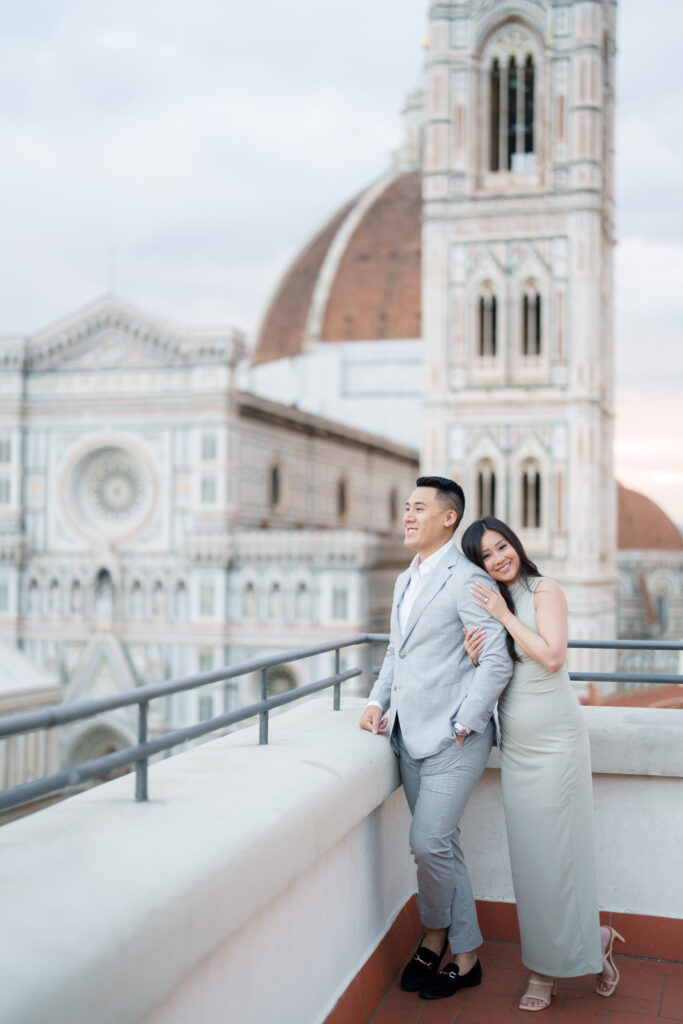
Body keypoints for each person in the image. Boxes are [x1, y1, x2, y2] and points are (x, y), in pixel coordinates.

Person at [460, 516, 625, 1011]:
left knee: (559, 857)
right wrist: (477, 658)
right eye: (486, 555)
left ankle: (545, 973)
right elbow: (503, 670)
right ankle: (596, 941)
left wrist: (505, 618)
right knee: (531, 860)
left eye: (502, 546)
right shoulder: (495, 603)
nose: (498, 559)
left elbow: (552, 657)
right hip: (518, 744)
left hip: (557, 743)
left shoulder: (543, 590)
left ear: (516, 544)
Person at [359, 478, 513, 1001]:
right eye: (406, 507)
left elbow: (495, 661)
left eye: (419, 508)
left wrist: (464, 724)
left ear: (449, 518)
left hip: (455, 739)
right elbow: (395, 653)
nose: (408, 515)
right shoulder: (407, 579)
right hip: (406, 734)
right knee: (442, 845)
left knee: (426, 843)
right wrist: (376, 702)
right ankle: (460, 953)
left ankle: (436, 937)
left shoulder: (469, 580)